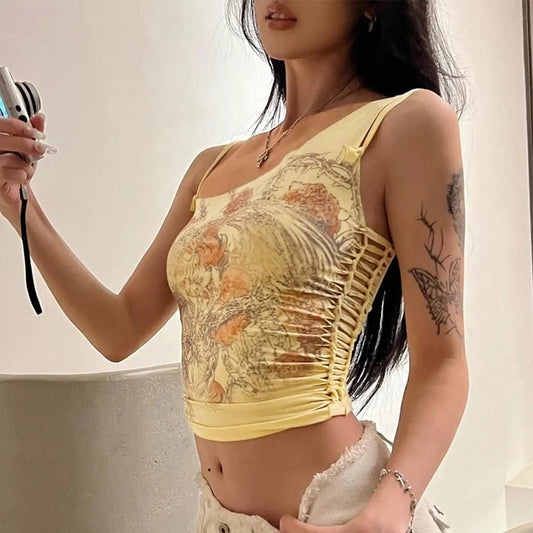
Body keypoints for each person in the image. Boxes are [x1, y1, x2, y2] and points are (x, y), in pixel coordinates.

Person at [0, 1, 469, 531]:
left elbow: (443, 363)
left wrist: (386, 513)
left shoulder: (407, 123)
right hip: (217, 518)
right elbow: (118, 329)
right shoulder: (212, 167)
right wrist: (16, 202)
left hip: (339, 514)